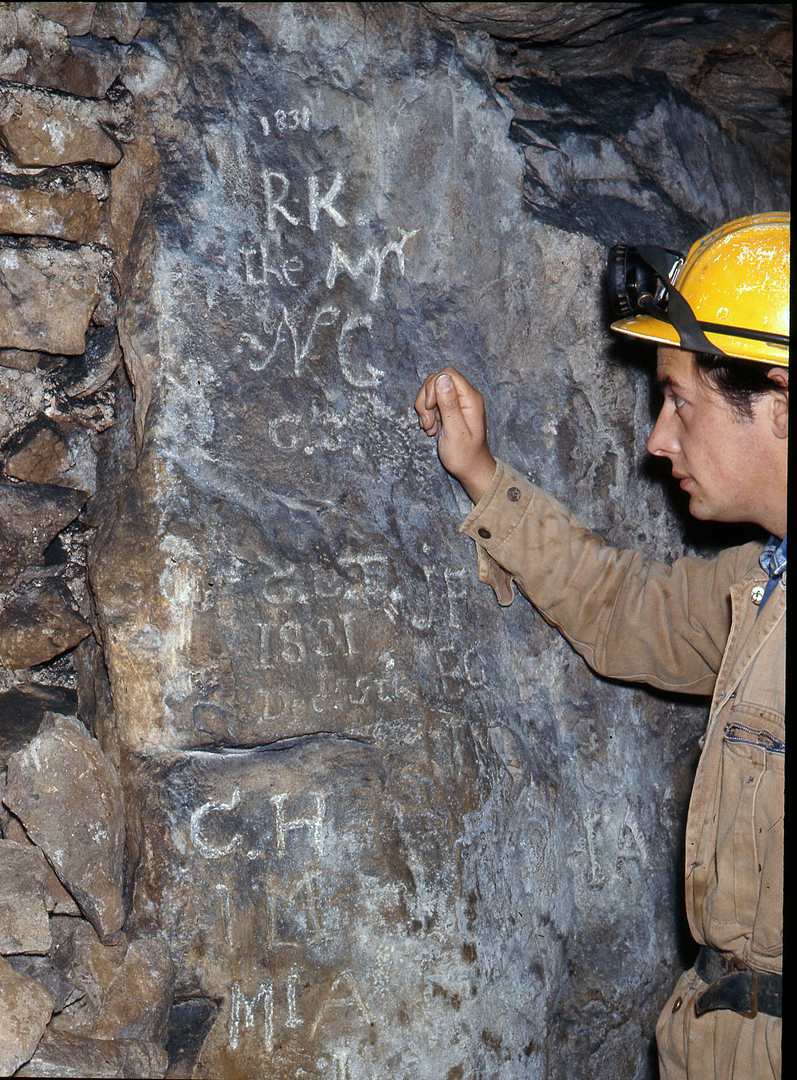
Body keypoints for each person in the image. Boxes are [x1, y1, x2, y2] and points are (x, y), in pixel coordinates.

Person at [414, 212, 788, 1079]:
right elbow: (626, 611)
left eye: (680, 400)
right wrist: (482, 475)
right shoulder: (758, 586)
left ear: (776, 399)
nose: (658, 440)